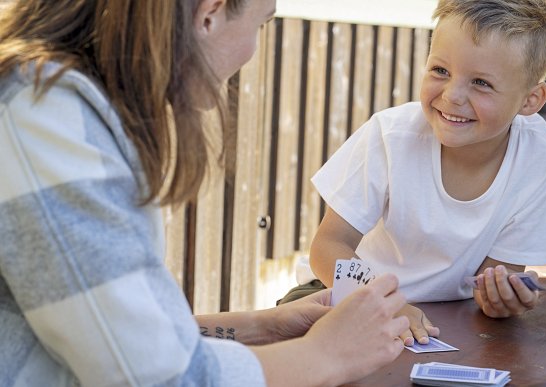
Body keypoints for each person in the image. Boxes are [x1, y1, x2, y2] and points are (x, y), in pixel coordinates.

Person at [0, 0, 409, 386]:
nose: (253, 50)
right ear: (210, 12)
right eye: (260, 23)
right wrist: (326, 355)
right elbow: (154, 376)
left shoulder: (56, 108)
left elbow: (120, 334)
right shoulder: (45, 118)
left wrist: (263, 326)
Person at [304, 0, 546, 347]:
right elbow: (328, 246)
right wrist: (388, 305)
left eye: (481, 83)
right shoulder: (390, 136)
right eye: (440, 71)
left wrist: (501, 296)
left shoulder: (539, 158)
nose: (452, 95)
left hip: (445, 322)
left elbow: (490, 283)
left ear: (530, 100)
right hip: (346, 296)